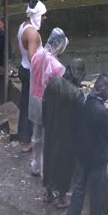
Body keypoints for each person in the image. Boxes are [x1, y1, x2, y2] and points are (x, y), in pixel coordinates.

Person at [66, 74, 108, 215]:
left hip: (84, 151)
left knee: (80, 185)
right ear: (105, 92)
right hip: (98, 156)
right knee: (96, 190)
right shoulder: (101, 111)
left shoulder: (85, 101)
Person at [42, 58, 86, 208]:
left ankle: (48, 193)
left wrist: (46, 123)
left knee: (49, 159)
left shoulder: (53, 83)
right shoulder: (77, 94)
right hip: (68, 136)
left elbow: (45, 105)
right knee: (65, 166)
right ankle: (62, 198)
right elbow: (80, 121)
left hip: (51, 130)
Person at [28, 27, 68, 176]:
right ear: (59, 45)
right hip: (48, 104)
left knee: (37, 136)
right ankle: (46, 172)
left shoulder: (37, 56)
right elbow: (59, 88)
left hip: (34, 100)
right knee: (48, 139)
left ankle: (35, 166)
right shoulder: (56, 66)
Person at [17, 0, 47, 153]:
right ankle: (28, 141)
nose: (44, 18)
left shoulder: (23, 27)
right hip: (30, 72)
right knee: (31, 107)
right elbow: (32, 57)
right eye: (43, 15)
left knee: (26, 105)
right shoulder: (32, 33)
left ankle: (26, 138)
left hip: (24, 68)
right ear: (36, 15)